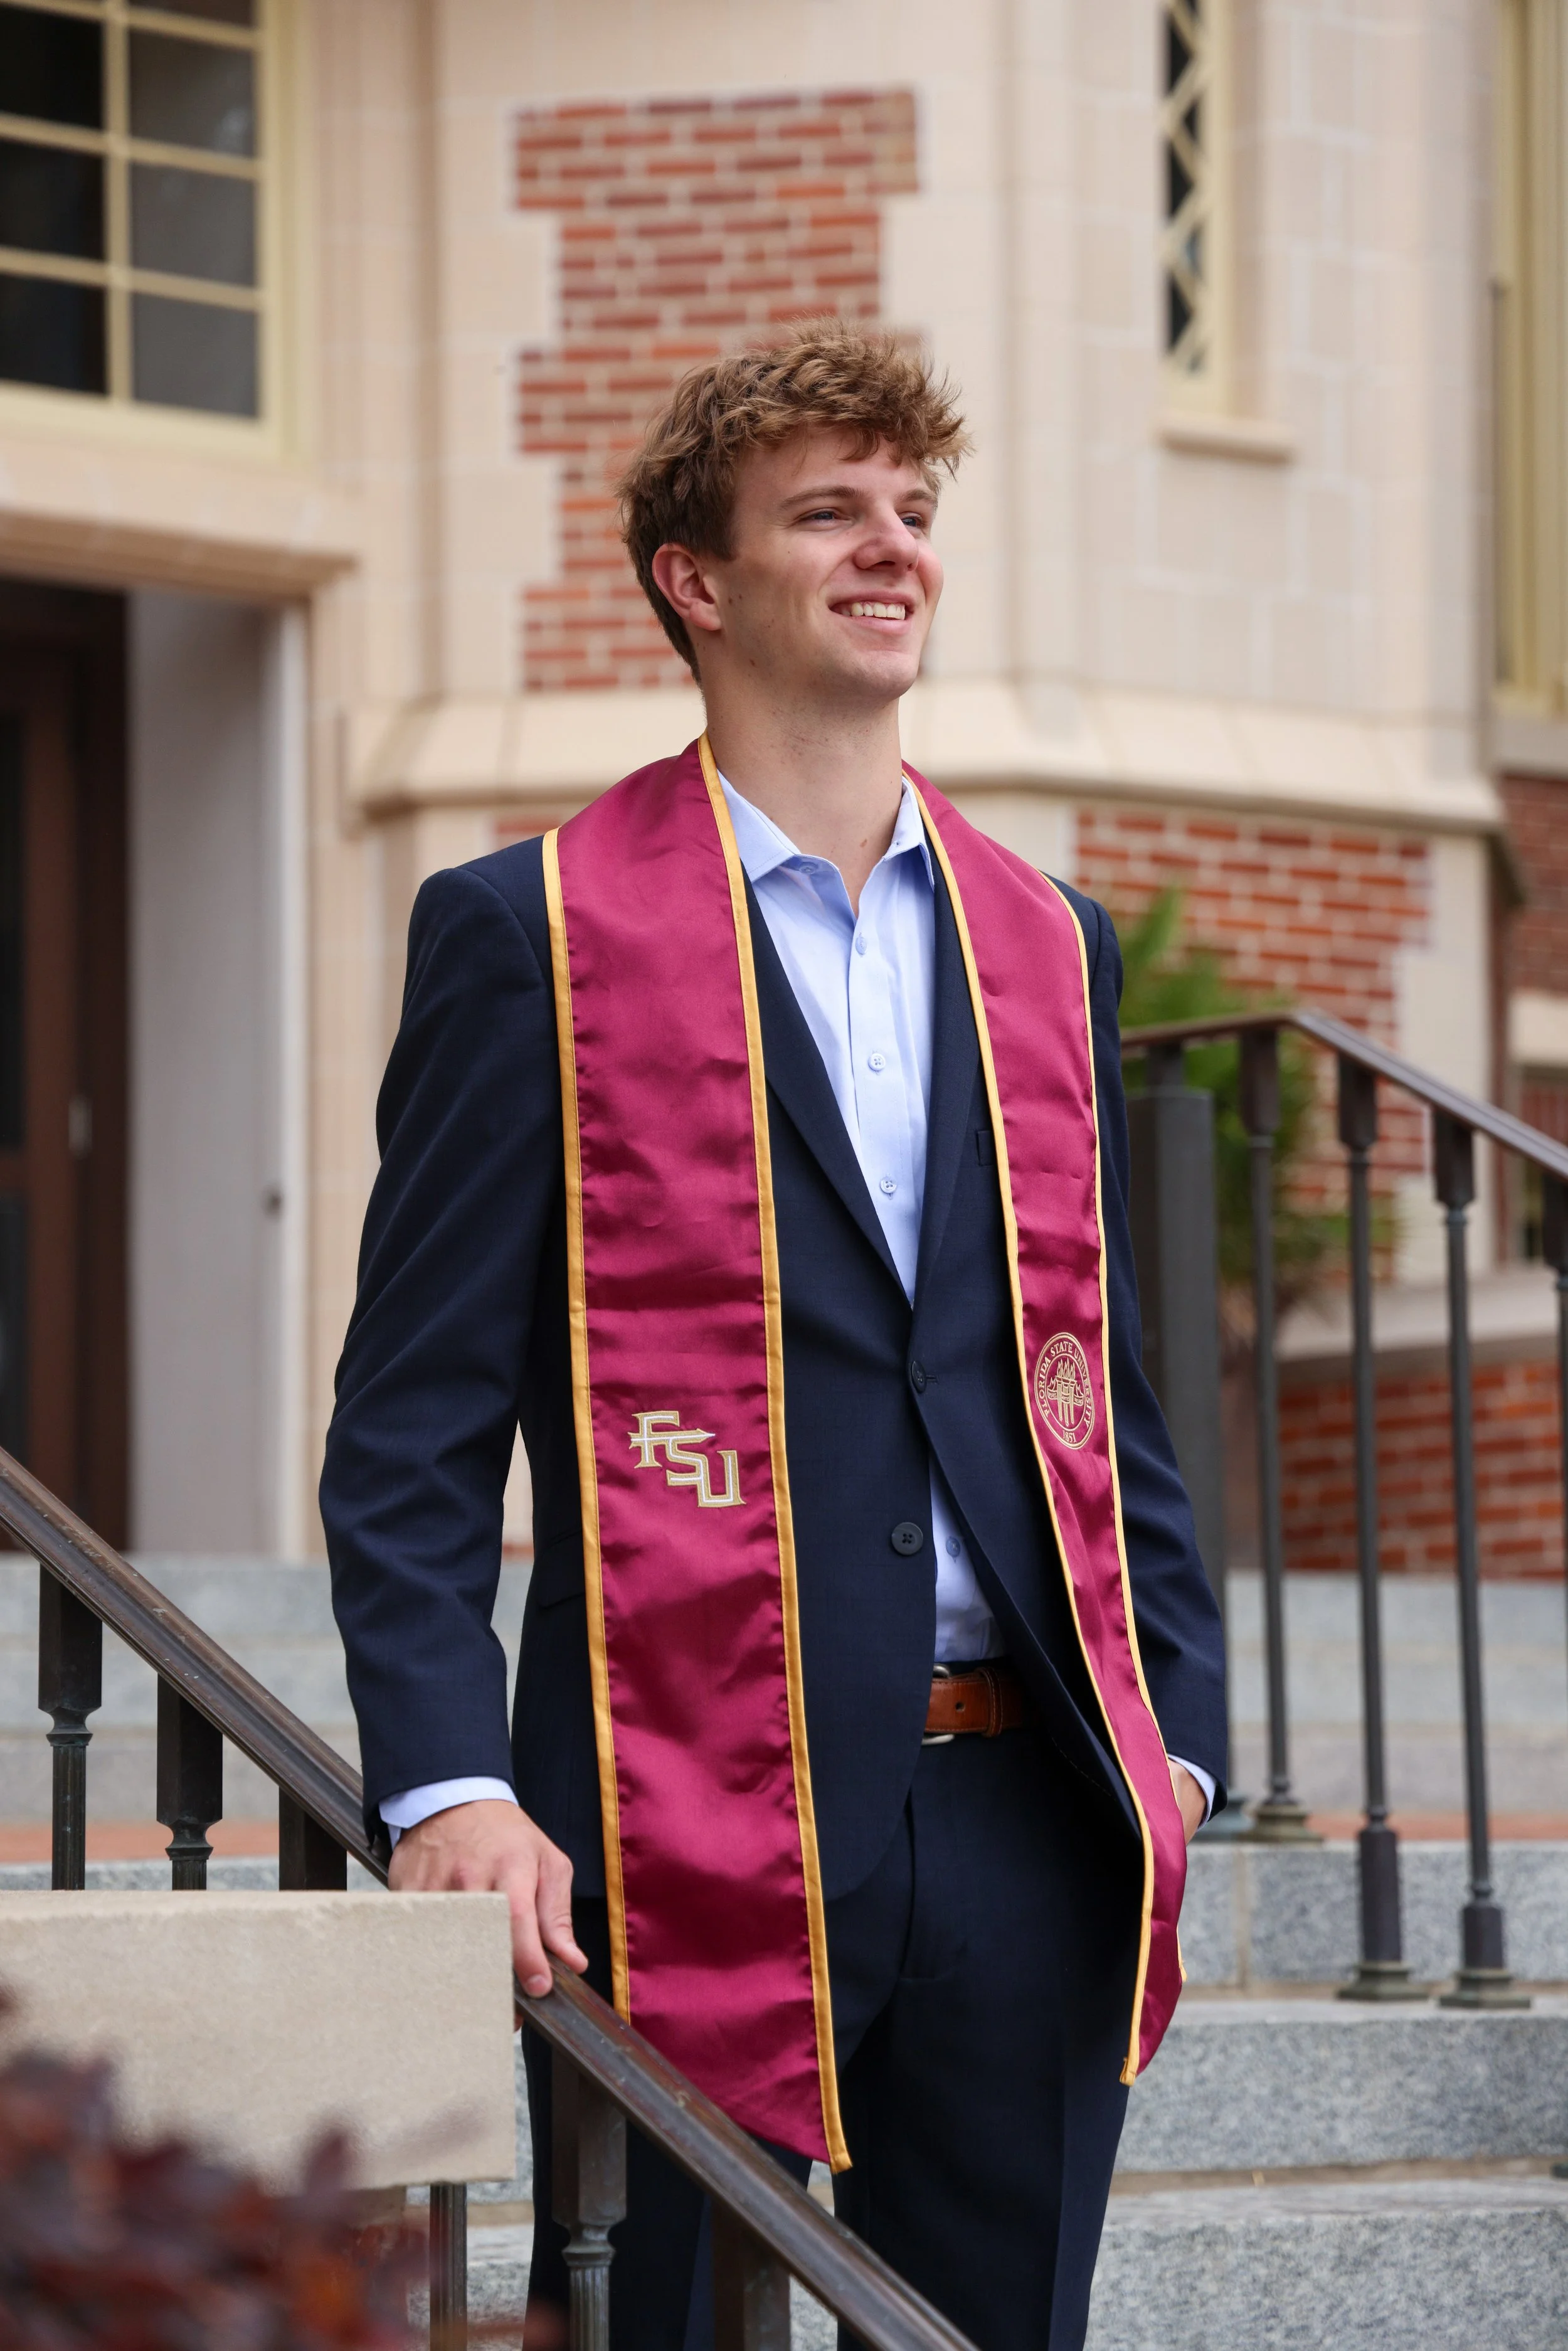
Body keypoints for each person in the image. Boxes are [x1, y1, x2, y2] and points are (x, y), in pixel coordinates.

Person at [321, 319, 1227, 2351]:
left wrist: (1177, 1726)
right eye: (829, 511)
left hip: (1027, 1811)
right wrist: (446, 1778)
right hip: (667, 1803)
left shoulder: (1042, 940)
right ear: (698, 581)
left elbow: (1102, 1381)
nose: (891, 544)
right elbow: (414, 1423)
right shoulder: (530, 935)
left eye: (913, 510)